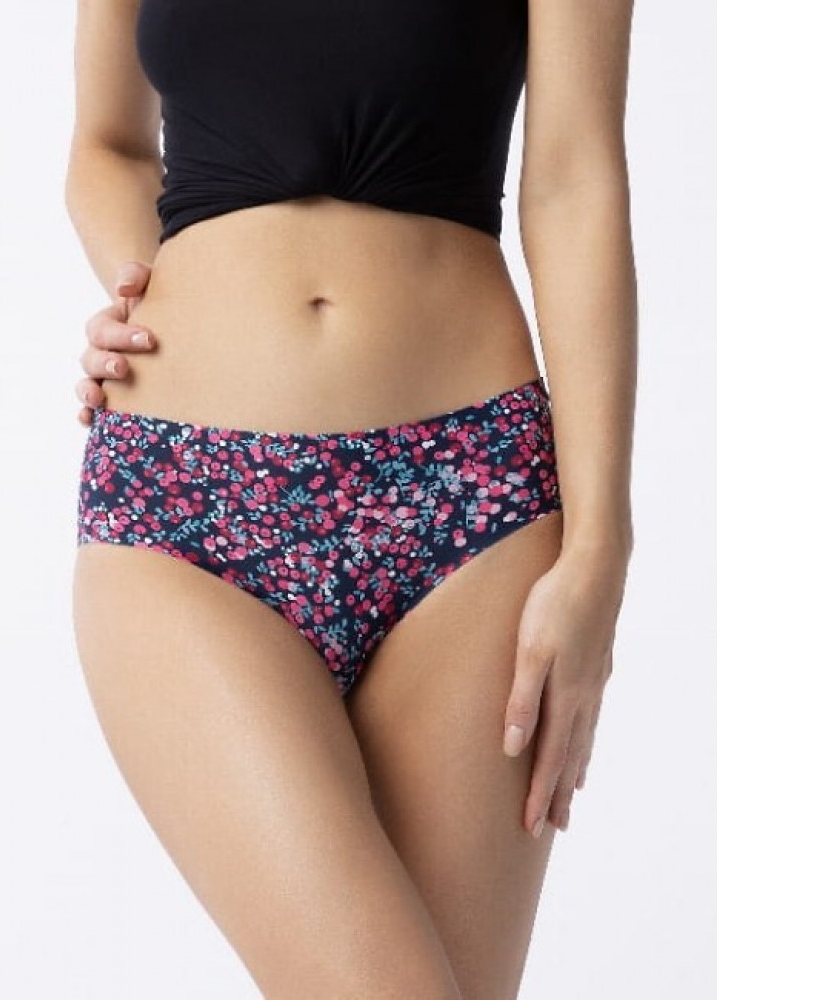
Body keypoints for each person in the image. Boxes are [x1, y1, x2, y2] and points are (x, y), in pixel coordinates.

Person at [66, 0, 636, 996]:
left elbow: (573, 176)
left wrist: (600, 551)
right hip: (184, 505)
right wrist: (136, 290)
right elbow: (105, 144)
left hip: (469, 505)